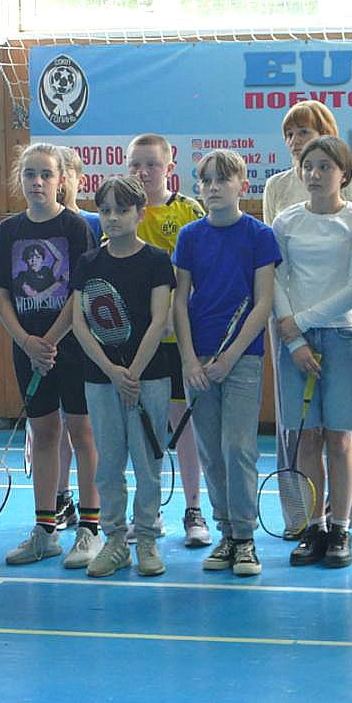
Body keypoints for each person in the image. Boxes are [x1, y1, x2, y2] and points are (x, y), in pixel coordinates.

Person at [262, 101, 352, 539]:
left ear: (342, 173)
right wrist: (292, 336)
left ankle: (340, 526)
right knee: (305, 436)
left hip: (343, 334)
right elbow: (276, 275)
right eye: (308, 166)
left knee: (341, 436)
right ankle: (311, 524)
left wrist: (301, 322)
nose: (314, 174)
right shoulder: (283, 216)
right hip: (293, 339)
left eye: (324, 166)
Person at [0, 144, 99, 568]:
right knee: (45, 433)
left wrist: (49, 341)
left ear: (61, 180)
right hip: (29, 351)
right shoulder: (8, 232)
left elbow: (79, 292)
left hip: (73, 348)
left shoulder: (75, 228)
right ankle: (46, 530)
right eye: (30, 174)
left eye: (46, 175)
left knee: (82, 433)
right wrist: (25, 342)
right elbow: (0, 294)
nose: (37, 182)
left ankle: (90, 529)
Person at [172, 149, 280, 577]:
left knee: (238, 448)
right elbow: (179, 301)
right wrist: (188, 360)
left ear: (242, 186)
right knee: (211, 451)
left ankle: (245, 538)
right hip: (198, 360)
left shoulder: (260, 235)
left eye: (222, 179)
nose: (213, 187)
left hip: (242, 359)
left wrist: (230, 357)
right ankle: (225, 534)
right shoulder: (189, 236)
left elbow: (263, 302)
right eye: (206, 181)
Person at [72, 176, 175, 578]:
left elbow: (159, 320)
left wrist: (132, 372)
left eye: (122, 210)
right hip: (101, 379)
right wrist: (113, 372)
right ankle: (115, 541)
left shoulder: (157, 261)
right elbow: (80, 324)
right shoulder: (88, 263)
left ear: (140, 214)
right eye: (105, 211)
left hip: (149, 377)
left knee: (148, 463)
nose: (113, 218)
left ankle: (146, 538)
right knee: (109, 462)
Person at [127, 134, 209, 547]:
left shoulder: (189, 211)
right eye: (135, 165)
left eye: (151, 165)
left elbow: (199, 275)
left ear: (169, 168)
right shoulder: (124, 210)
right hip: (139, 342)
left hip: (179, 341)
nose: (142, 173)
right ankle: (149, 510)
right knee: (145, 428)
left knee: (184, 425)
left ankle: (194, 509)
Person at [49, 146, 101, 528]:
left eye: (68, 172)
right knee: (52, 427)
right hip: (47, 344)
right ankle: (59, 497)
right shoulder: (36, 226)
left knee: (82, 427)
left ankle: (93, 508)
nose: (62, 179)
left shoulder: (94, 224)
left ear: (77, 179)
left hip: (86, 340)